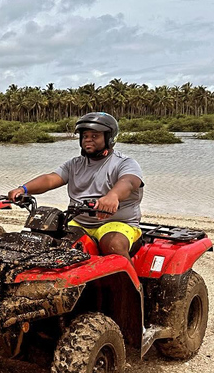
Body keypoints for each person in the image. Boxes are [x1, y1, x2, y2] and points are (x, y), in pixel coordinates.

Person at [8, 112, 144, 262]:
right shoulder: (75, 164)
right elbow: (50, 179)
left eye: (94, 136)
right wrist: (23, 189)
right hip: (79, 222)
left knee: (114, 245)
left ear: (109, 138)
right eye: (85, 136)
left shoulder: (124, 163)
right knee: (46, 241)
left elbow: (129, 182)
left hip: (116, 223)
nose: (88, 140)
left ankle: (133, 285)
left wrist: (113, 196)